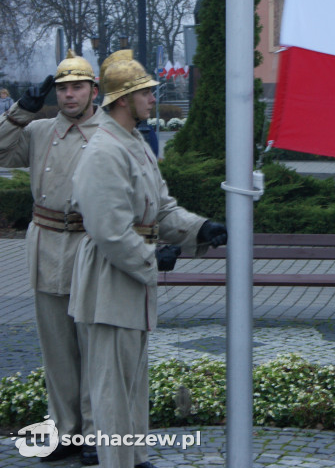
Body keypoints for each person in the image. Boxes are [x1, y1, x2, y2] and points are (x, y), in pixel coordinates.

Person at [69, 51, 227, 468]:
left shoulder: (132, 142)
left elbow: (162, 208)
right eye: (146, 92)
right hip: (110, 278)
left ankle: (133, 457)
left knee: (132, 381)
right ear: (124, 99)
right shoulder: (104, 150)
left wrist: (200, 228)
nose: (153, 98)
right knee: (111, 386)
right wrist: (151, 257)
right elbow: (108, 230)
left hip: (130, 277)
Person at [0, 52, 100, 465]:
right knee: (56, 350)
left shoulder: (109, 132)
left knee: (94, 346)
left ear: (94, 90)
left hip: (91, 246)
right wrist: (20, 111)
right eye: (62, 88)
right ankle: (66, 432)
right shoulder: (40, 130)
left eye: (77, 86)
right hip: (45, 245)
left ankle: (97, 434)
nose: (69, 94)